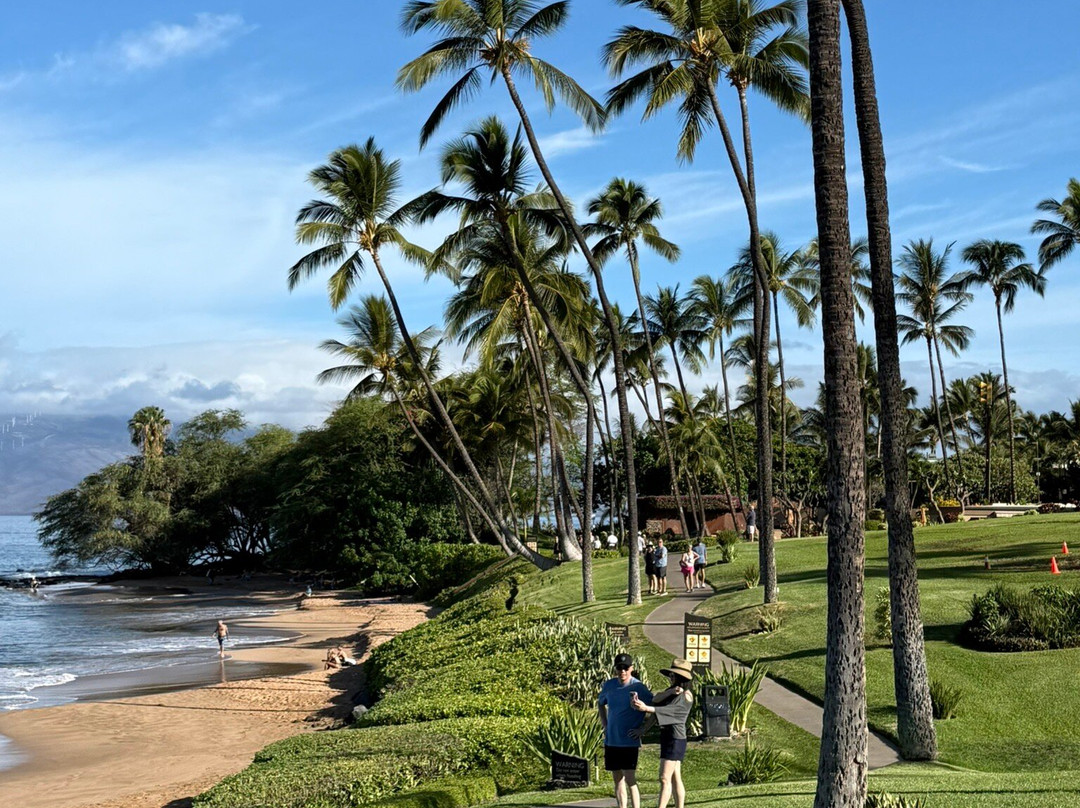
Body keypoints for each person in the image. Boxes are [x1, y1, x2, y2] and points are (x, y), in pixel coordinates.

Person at [630, 658, 695, 808]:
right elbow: (656, 699)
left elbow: (671, 712)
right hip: (667, 737)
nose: (671, 677)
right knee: (674, 777)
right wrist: (643, 730)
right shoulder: (671, 692)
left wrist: (646, 708)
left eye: (675, 675)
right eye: (671, 675)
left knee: (664, 777)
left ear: (682, 678)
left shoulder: (686, 695)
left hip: (676, 739)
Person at [598, 653, 652, 808]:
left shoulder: (638, 687)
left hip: (629, 740)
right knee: (617, 779)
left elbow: (656, 710)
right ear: (615, 669)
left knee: (630, 779)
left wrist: (643, 729)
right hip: (612, 740)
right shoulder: (609, 685)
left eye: (625, 668)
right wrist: (605, 724)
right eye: (619, 668)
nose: (622, 671)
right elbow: (600, 703)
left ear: (631, 669)